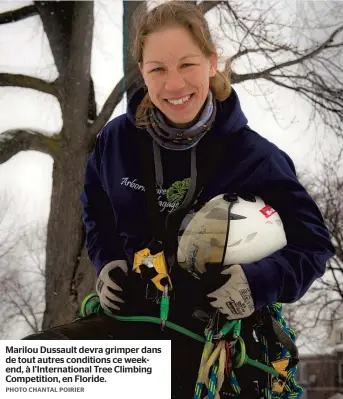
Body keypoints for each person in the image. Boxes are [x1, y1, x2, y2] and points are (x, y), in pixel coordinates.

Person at [24, 1, 335, 398]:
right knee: (31, 372)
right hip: (132, 322)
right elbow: (96, 209)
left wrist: (258, 283)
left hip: (215, 338)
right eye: (158, 69)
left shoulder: (255, 156)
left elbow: (314, 245)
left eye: (187, 64)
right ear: (143, 72)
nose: (174, 85)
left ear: (211, 62)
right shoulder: (116, 142)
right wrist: (107, 263)